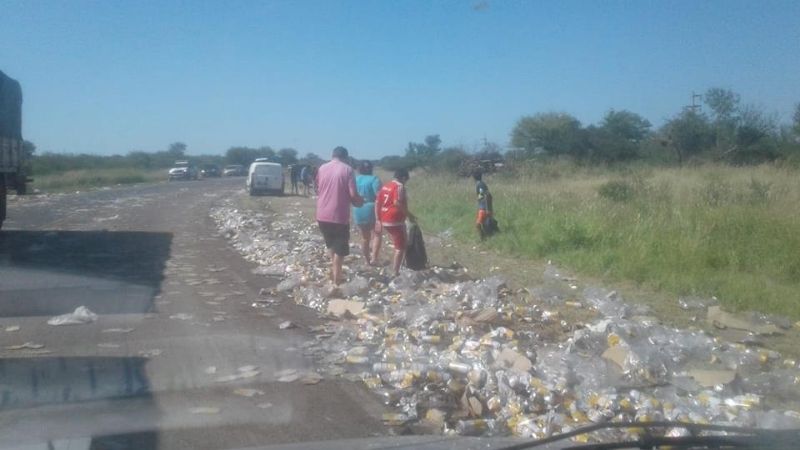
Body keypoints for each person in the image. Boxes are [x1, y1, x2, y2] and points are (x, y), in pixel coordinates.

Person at [315, 147, 363, 286]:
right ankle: (337, 281)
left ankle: (333, 273)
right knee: (340, 251)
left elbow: (319, 187)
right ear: (345, 157)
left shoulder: (322, 168)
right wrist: (360, 202)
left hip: (322, 214)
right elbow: (353, 195)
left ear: (333, 155)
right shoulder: (347, 169)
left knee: (331, 245)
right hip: (338, 216)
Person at [375, 168, 416, 277]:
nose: (406, 182)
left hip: (384, 218)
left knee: (399, 242)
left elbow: (378, 202)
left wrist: (378, 219)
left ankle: (400, 264)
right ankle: (396, 271)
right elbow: (397, 202)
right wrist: (409, 215)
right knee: (400, 247)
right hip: (395, 219)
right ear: (403, 178)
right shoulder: (399, 186)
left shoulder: (385, 186)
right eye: (406, 179)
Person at [353, 161, 382, 265]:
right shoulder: (375, 179)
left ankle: (366, 260)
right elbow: (379, 196)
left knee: (365, 237)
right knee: (377, 234)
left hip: (358, 208)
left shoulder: (355, 179)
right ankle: (374, 258)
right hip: (372, 208)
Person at [473, 169, 493, 240]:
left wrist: (487, 209)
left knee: (478, 224)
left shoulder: (480, 184)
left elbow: (486, 195)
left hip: (484, 208)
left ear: (474, 177)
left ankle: (482, 239)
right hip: (483, 207)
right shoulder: (482, 184)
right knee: (485, 225)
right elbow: (484, 195)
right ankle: (486, 238)